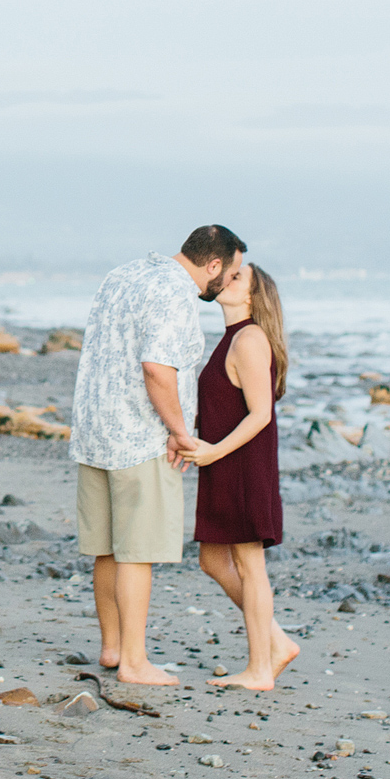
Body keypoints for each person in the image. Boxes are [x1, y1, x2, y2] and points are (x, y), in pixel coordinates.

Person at [70, 224, 245, 682]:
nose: (229, 283)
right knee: (137, 552)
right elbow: (157, 369)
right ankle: (134, 662)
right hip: (140, 439)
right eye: (232, 273)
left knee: (106, 550)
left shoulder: (124, 274)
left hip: (94, 431)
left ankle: (111, 649)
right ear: (213, 264)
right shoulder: (176, 293)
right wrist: (180, 430)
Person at [180, 262, 299, 690]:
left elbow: (261, 414)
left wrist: (213, 452)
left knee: (251, 566)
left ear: (252, 296)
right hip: (223, 462)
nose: (227, 280)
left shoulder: (249, 338)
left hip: (242, 463)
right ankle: (277, 641)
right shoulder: (231, 339)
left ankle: (259, 669)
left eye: (237, 278)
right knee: (213, 560)